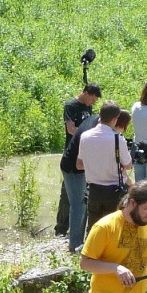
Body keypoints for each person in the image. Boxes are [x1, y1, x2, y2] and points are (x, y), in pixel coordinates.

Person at [78, 102, 132, 237]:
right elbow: (128, 164)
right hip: (113, 191)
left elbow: (79, 164)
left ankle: (89, 252)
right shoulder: (117, 139)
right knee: (111, 228)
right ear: (115, 119)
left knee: (93, 227)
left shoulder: (85, 136)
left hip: (93, 190)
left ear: (100, 115)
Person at [55, 83, 102, 237]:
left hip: (85, 153)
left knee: (84, 192)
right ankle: (61, 228)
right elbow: (71, 129)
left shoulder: (87, 107)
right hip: (72, 152)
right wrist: (89, 135)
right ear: (87, 93)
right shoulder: (71, 106)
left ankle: (79, 228)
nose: (93, 104)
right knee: (66, 194)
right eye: (93, 100)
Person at [58, 112, 100, 252]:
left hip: (77, 166)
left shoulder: (92, 119)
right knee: (78, 205)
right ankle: (74, 243)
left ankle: (78, 239)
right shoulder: (94, 128)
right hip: (73, 168)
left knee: (83, 203)